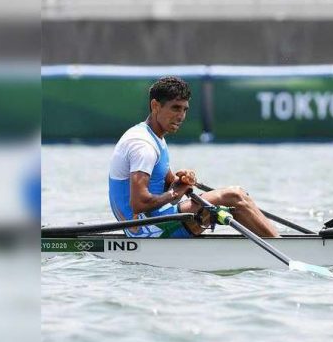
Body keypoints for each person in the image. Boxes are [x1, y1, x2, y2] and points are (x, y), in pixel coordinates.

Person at [108, 76, 278, 238]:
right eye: (175, 108)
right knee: (234, 196)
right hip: (145, 229)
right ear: (155, 106)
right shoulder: (143, 146)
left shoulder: (154, 137)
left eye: (184, 109)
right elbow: (139, 203)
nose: (181, 116)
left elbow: (169, 185)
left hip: (153, 220)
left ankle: (279, 240)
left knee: (240, 195)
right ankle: (283, 246)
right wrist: (175, 193)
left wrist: (181, 181)